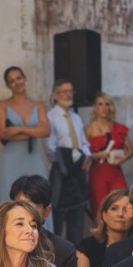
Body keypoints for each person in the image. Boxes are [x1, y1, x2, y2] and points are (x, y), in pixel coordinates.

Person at [0, 65, 50, 207]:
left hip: (33, 157)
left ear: (24, 78)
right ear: (8, 85)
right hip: (10, 158)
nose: (16, 83)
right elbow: (4, 134)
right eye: (12, 81)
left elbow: (46, 131)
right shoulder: (2, 105)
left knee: (39, 195)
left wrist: (18, 129)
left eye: (18, 78)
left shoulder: (39, 105)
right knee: (10, 198)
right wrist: (33, 131)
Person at [44, 80, 92, 244]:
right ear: (55, 95)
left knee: (77, 218)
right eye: (64, 91)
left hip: (80, 171)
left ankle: (76, 261)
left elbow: (84, 142)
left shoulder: (76, 117)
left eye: (70, 91)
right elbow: (50, 147)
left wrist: (86, 157)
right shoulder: (50, 117)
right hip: (61, 172)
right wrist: (66, 161)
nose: (68, 94)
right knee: (58, 216)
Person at [10, 175, 78, 267]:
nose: (23, 212)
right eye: (19, 206)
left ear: (46, 211)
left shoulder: (63, 251)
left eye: (30, 207)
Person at [75, 188, 133, 267]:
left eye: (126, 210)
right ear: (104, 215)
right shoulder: (86, 247)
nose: (120, 214)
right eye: (114, 208)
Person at [84, 92, 133, 218]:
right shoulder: (88, 129)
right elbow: (84, 156)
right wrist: (97, 155)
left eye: (107, 104)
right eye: (100, 104)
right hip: (98, 173)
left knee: (122, 203)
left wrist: (122, 159)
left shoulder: (117, 127)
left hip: (115, 171)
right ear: (95, 107)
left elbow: (131, 150)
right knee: (101, 209)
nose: (104, 108)